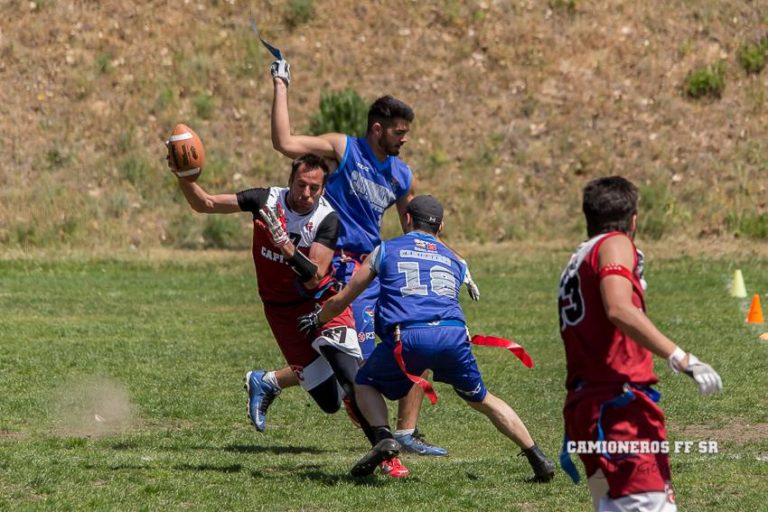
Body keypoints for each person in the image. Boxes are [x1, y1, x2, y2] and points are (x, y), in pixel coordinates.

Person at [246, 53, 479, 460]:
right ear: (377, 129)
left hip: (373, 267)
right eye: (399, 132)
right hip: (333, 267)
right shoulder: (344, 149)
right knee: (357, 364)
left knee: (409, 335)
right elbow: (284, 143)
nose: (405, 139)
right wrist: (280, 83)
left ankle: (403, 431)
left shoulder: (401, 174)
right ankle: (382, 442)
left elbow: (415, 230)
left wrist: (455, 260)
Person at [297, 195, 556, 481]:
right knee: (483, 399)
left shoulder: (387, 249)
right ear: (440, 227)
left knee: (364, 383)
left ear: (407, 219)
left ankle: (384, 437)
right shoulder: (454, 259)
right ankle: (537, 457)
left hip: (409, 335)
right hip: (454, 335)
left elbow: (345, 298)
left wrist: (317, 318)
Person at [168, 151, 390, 471]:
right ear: (289, 181)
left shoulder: (327, 218)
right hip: (282, 313)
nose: (307, 193)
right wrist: (184, 175)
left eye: (314, 188)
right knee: (329, 401)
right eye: (301, 185)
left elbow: (315, 276)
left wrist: (285, 246)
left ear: (323, 190)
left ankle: (386, 453)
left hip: (322, 305)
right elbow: (206, 203)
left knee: (350, 376)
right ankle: (266, 380)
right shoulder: (265, 200)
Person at [557, 176, 723, 511]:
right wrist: (681, 357)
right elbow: (618, 308)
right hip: (619, 410)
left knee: (613, 506)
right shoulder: (615, 244)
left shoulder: (578, 258)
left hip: (587, 408)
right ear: (633, 219)